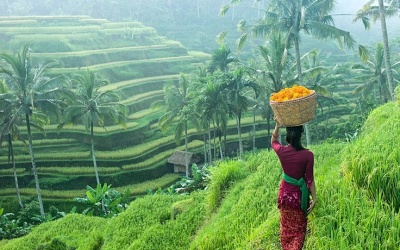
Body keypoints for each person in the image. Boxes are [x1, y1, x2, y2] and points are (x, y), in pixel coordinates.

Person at [271, 119, 317, 250]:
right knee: (298, 232)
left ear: (288, 136)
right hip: (298, 200)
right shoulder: (308, 155)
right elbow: (310, 179)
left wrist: (277, 125)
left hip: (285, 197)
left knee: (286, 232)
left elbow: (273, 141)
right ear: (301, 135)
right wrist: (314, 198)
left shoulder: (282, 151)